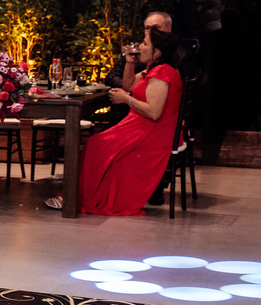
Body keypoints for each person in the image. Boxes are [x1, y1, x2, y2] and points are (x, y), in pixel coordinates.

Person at [47, 14, 183, 216]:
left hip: (152, 132)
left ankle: (78, 197)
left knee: (96, 144)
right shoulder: (152, 68)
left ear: (156, 52)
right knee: (95, 142)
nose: (140, 47)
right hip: (141, 125)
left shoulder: (162, 73)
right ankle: (76, 194)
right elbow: (128, 85)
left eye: (145, 44)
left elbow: (154, 112)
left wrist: (126, 100)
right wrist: (130, 62)